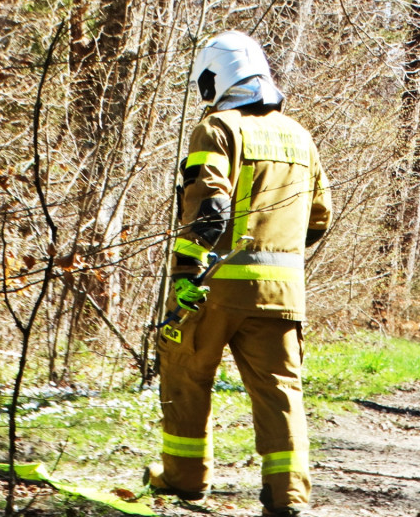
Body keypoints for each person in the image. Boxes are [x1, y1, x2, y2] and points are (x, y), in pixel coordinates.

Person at [145, 31, 332, 517]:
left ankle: (185, 479)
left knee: (186, 372)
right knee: (280, 392)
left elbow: (210, 208)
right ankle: (288, 498)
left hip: (216, 287)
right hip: (282, 293)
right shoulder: (300, 135)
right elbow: (320, 217)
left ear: (214, 79)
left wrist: (185, 272)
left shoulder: (217, 128)